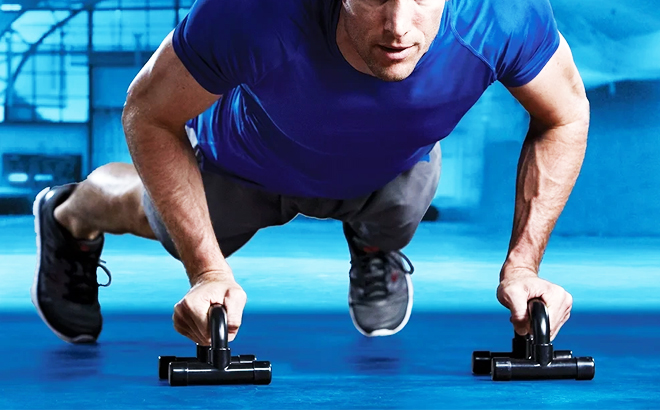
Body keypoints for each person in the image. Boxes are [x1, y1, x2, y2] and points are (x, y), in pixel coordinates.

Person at [31, 0, 589, 346]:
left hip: (392, 169)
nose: (398, 25)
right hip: (244, 165)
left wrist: (523, 266)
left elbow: (564, 113)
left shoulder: (504, 13)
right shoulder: (252, 12)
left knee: (403, 204)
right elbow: (147, 112)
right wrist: (207, 273)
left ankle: (374, 250)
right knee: (162, 222)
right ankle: (68, 213)